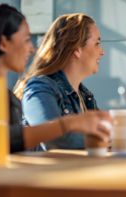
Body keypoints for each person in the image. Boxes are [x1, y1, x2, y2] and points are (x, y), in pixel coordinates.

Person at [0, 4, 111, 153]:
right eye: (26, 39)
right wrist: (68, 124)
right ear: (3, 43)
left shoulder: (8, 98)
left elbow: (11, 147)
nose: (32, 49)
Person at [14, 13, 105, 150]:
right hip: (47, 172)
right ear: (77, 49)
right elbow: (52, 141)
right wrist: (98, 141)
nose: (102, 52)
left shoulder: (85, 96)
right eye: (97, 43)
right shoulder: (41, 88)